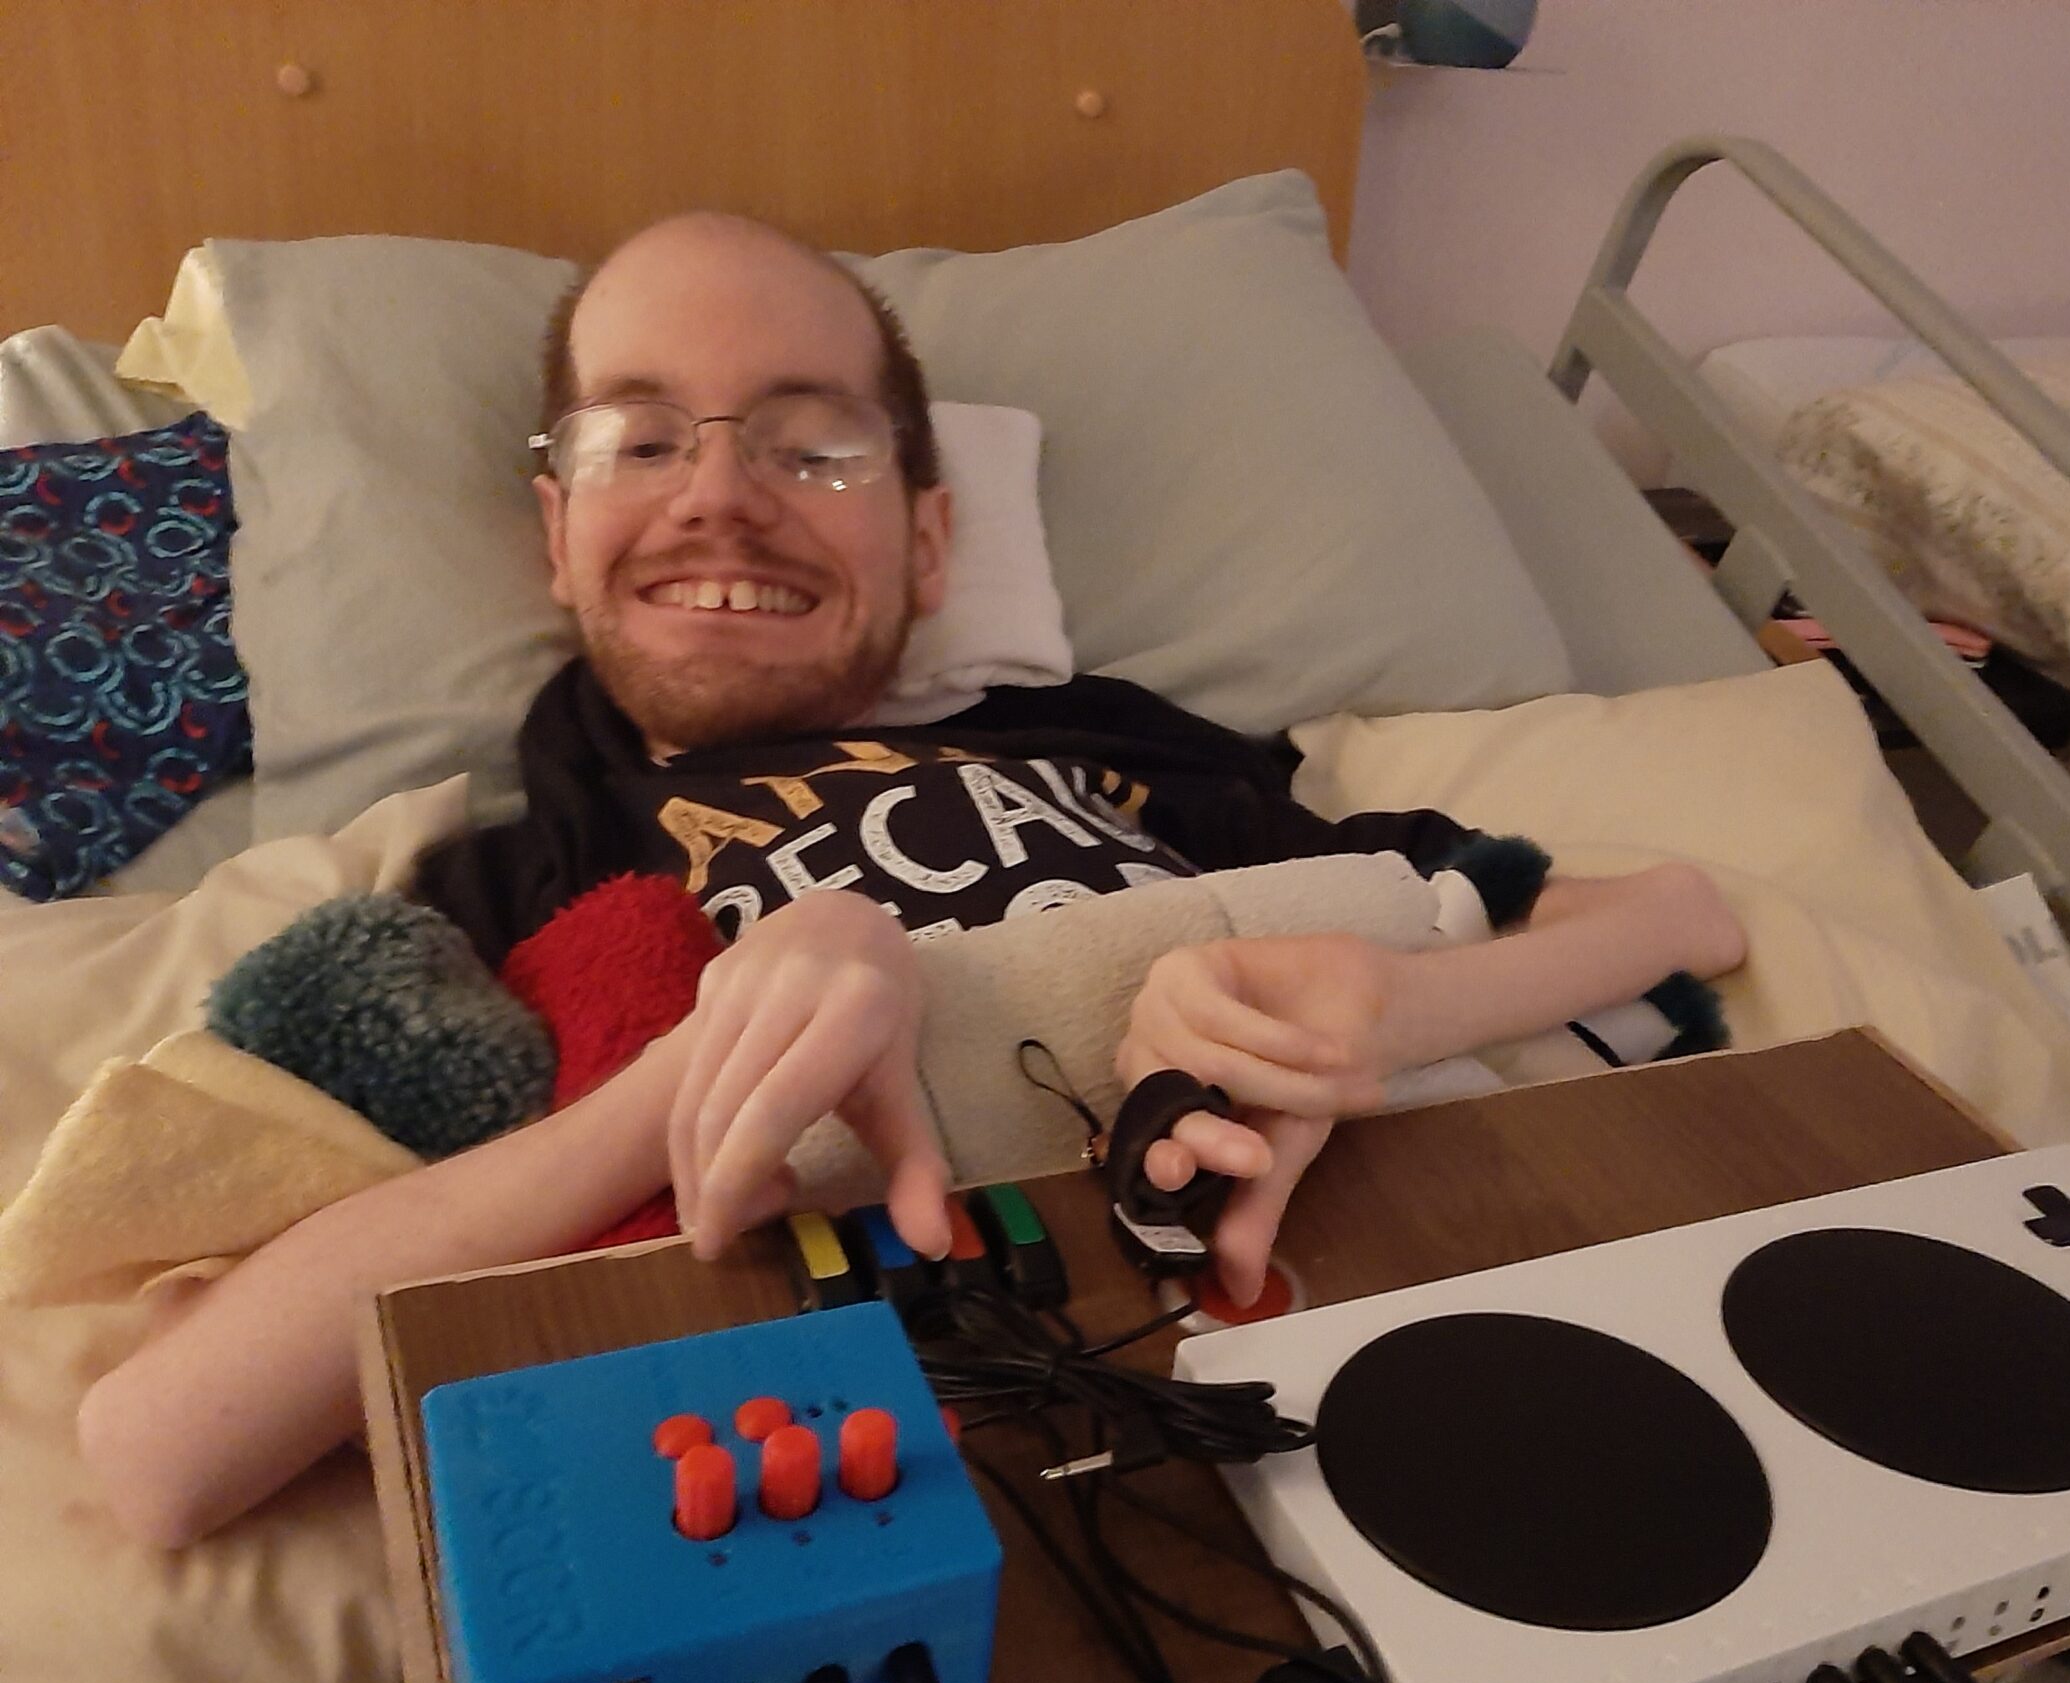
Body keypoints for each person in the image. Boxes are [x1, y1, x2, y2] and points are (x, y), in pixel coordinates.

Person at [78, 213, 1746, 1549]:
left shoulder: (1126, 745)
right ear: (554, 531)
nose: (720, 493)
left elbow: (1679, 919)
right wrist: (723, 1048)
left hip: (1437, 1332)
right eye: (640, 442)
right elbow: (163, 1447)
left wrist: (1392, 994)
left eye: (812, 451)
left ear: (931, 541)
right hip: (976, 1486)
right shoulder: (512, 872)